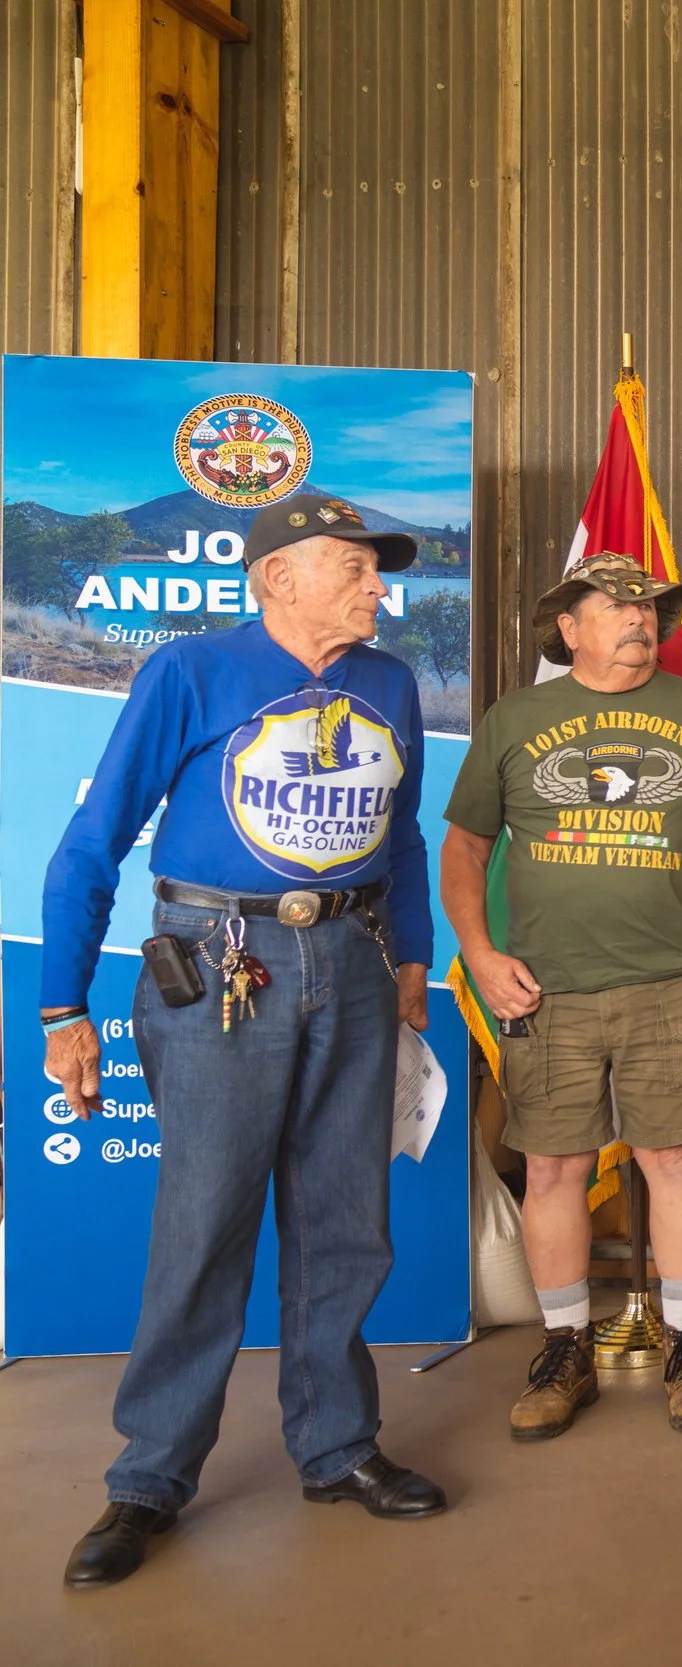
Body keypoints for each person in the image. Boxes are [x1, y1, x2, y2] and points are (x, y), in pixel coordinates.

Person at [42, 494, 447, 1588]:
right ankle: (150, 1477)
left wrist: (411, 959)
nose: (378, 587)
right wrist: (59, 1004)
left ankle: (338, 1445)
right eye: (355, 569)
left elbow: (400, 835)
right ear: (278, 578)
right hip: (217, 957)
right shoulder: (191, 672)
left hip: (352, 963)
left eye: (377, 570)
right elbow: (94, 837)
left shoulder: (391, 683)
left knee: (344, 1219)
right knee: (205, 1219)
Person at [442, 551, 682, 1441]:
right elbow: (466, 847)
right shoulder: (517, 718)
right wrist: (478, 952)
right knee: (553, 1167)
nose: (640, 620)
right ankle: (564, 1350)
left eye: (651, 609)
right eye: (617, 607)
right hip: (547, 991)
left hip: (674, 985)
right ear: (570, 627)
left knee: (674, 1163)